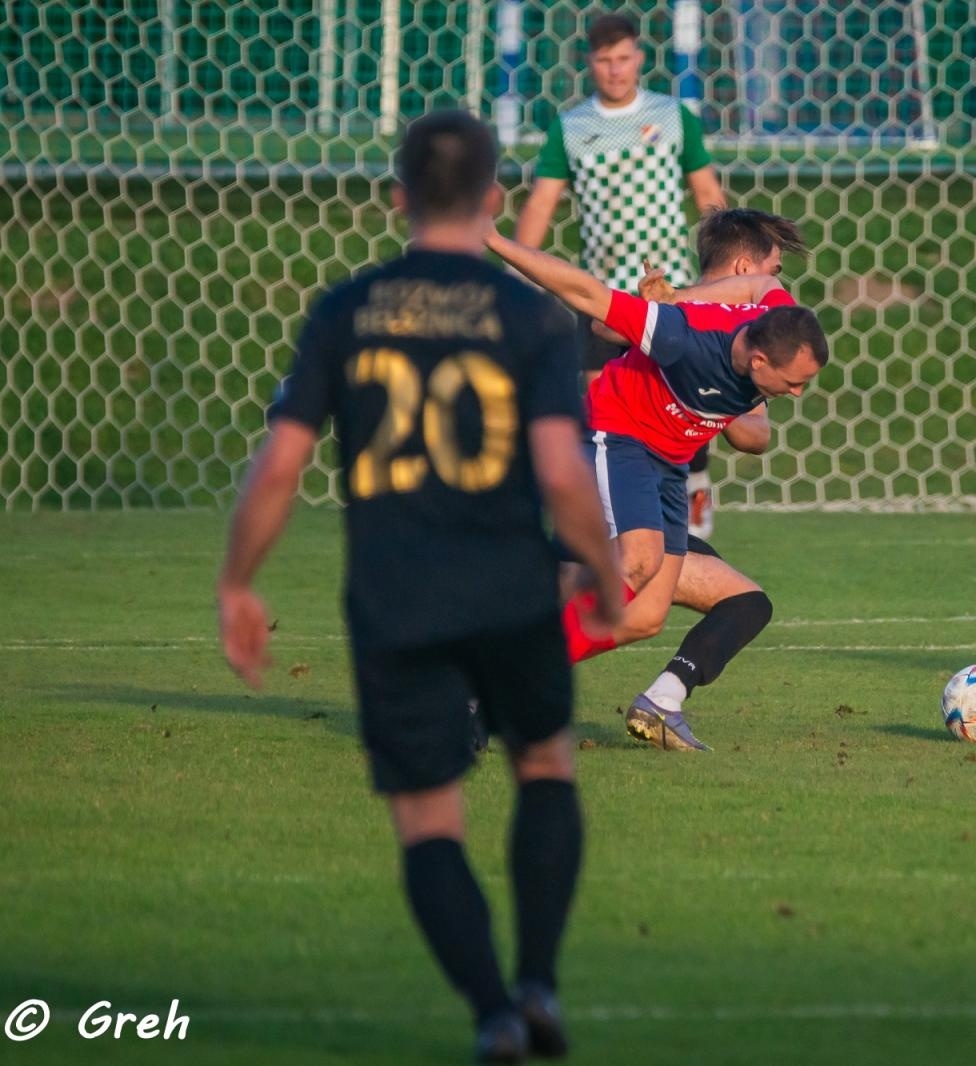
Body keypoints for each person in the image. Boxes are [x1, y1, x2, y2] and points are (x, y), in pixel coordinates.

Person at [217, 111, 625, 1062]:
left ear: (397, 196)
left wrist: (238, 581)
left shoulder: (347, 308)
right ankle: (538, 982)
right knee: (544, 765)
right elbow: (564, 473)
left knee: (429, 816)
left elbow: (279, 464)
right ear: (493, 202)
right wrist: (604, 572)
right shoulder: (532, 314)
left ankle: (490, 1012)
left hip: (394, 599)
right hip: (511, 589)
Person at [486, 220, 827, 752]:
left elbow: (762, 287)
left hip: (667, 464)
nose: (800, 394)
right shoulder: (681, 335)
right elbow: (588, 296)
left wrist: (681, 296)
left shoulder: (771, 315)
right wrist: (494, 240)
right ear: (760, 361)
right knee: (638, 560)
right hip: (615, 437)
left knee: (645, 616)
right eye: (795, 383)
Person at [516, 12, 727, 538]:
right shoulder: (571, 127)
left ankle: (693, 521)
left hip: (672, 295)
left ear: (639, 57)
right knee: (599, 413)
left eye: (624, 58)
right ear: (590, 63)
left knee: (688, 409)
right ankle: (606, 528)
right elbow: (541, 206)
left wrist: (717, 279)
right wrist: (513, 274)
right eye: (605, 60)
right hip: (602, 302)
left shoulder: (674, 117)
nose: (615, 70)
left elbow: (708, 198)